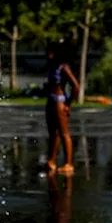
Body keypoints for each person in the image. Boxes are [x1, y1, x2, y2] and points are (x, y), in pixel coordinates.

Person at [44, 40, 81, 175]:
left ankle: (68, 163)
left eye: (52, 52)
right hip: (51, 100)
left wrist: (68, 104)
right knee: (53, 134)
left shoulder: (63, 67)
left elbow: (75, 86)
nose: (49, 55)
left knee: (64, 133)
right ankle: (51, 160)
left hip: (60, 101)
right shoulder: (51, 66)